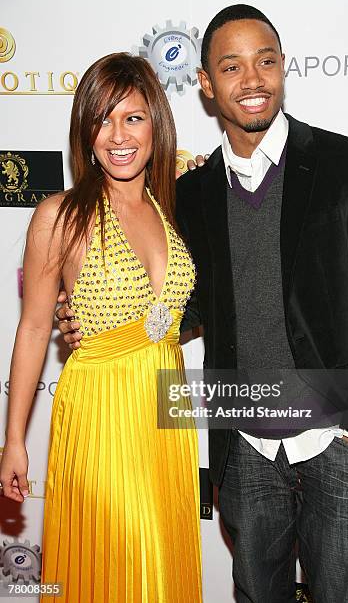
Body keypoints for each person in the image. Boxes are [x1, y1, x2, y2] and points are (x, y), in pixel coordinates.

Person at [57, 4, 348, 603]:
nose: (252, 80)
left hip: (340, 444)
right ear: (205, 84)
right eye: (232, 66)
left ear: (281, 70)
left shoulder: (347, 165)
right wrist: (97, 319)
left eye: (265, 62)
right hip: (244, 450)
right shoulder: (189, 192)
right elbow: (186, 302)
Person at [0, 53, 202, 602]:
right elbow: (35, 329)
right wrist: (14, 440)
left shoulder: (173, 207)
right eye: (102, 119)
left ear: (155, 125)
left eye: (133, 118)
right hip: (100, 410)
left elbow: (172, 316)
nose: (117, 135)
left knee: (161, 556)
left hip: (167, 410)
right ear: (84, 132)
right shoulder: (60, 216)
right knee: (115, 558)